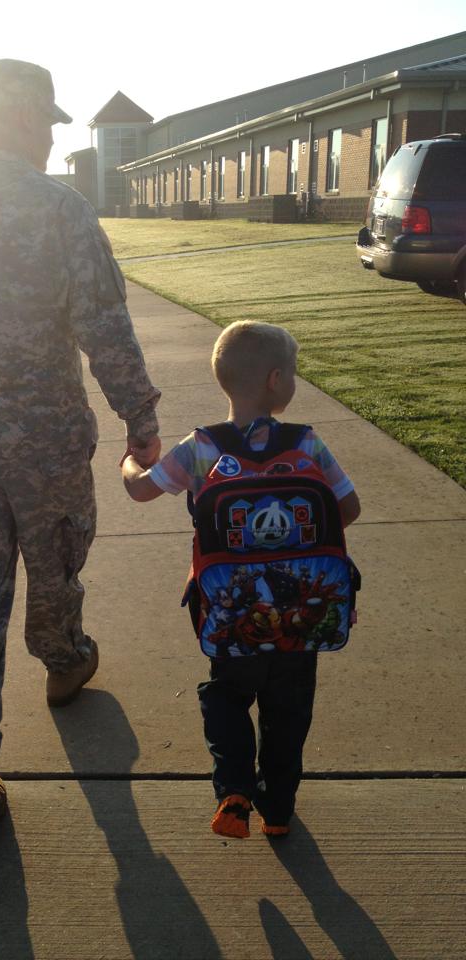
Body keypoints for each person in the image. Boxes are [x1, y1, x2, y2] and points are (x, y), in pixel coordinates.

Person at [0, 59, 161, 831]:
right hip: (46, 444)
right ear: (19, 120)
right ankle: (64, 662)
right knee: (55, 566)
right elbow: (102, 323)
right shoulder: (60, 210)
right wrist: (139, 418)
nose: (48, 139)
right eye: (45, 123)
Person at [121, 321, 360, 838]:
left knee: (227, 696)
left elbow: (140, 491)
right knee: (289, 711)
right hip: (301, 618)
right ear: (275, 380)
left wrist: (130, 464)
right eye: (292, 372)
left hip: (230, 612)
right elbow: (349, 509)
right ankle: (278, 813)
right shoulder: (306, 443)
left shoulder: (202, 447)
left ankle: (233, 788)